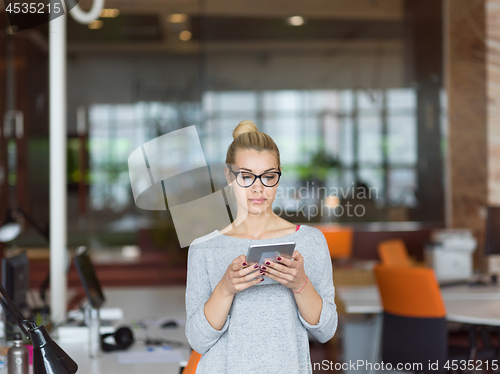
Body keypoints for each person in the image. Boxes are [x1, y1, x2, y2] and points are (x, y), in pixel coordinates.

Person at [185, 120, 338, 374]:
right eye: (246, 176)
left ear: (278, 177)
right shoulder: (204, 249)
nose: (258, 187)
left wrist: (300, 284)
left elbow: (326, 331)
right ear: (229, 177)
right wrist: (225, 288)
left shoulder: (310, 241)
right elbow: (198, 341)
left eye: (268, 176)